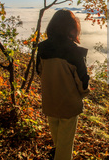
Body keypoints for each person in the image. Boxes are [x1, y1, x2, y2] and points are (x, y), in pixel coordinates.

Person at [36, 9, 90, 160]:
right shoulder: (74, 52)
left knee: (58, 140)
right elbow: (82, 82)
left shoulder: (42, 48)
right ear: (71, 28)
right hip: (68, 105)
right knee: (65, 146)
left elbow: (39, 71)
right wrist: (84, 93)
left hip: (50, 101)